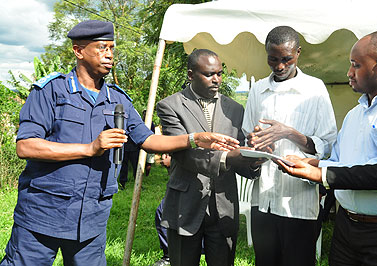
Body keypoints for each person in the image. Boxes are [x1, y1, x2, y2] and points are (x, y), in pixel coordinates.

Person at [0, 20, 240, 266]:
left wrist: (194, 138)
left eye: (112, 49)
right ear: (78, 51)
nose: (109, 55)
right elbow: (26, 146)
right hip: (43, 215)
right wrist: (90, 148)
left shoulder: (118, 100)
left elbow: (148, 140)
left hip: (91, 220)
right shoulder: (51, 92)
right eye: (102, 48)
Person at [276, 30, 377, 266]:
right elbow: (342, 162)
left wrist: (322, 174)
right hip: (346, 228)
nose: (349, 73)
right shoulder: (355, 113)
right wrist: (312, 164)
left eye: (356, 65)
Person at [156, 49, 263, 266]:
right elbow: (183, 153)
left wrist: (254, 159)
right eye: (208, 74)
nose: (216, 79)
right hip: (185, 205)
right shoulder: (170, 106)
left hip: (223, 206)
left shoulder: (234, 108)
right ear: (190, 74)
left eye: (219, 73)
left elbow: (238, 150)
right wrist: (226, 158)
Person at [242, 26, 337, 266]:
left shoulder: (314, 90)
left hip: (299, 202)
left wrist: (290, 134)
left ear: (298, 53)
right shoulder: (258, 90)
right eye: (273, 59)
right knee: (265, 261)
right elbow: (247, 137)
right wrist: (255, 145)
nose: (280, 66)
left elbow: (327, 146)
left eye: (287, 59)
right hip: (263, 198)